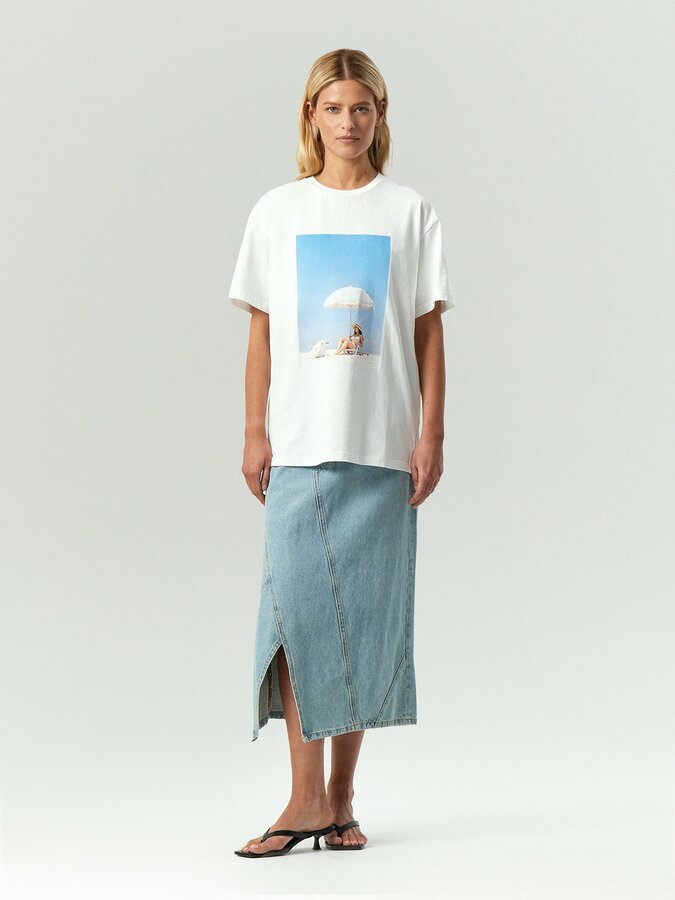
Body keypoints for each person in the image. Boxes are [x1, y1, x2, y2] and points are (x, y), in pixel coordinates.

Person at [227, 48, 455, 858]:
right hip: (298, 441)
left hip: (381, 445)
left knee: (360, 618)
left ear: (379, 116)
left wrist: (430, 433)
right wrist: (253, 429)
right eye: (333, 108)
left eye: (361, 107)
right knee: (294, 617)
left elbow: (426, 332)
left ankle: (339, 801)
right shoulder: (277, 211)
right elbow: (261, 331)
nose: (348, 122)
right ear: (311, 116)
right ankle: (301, 798)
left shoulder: (409, 211)